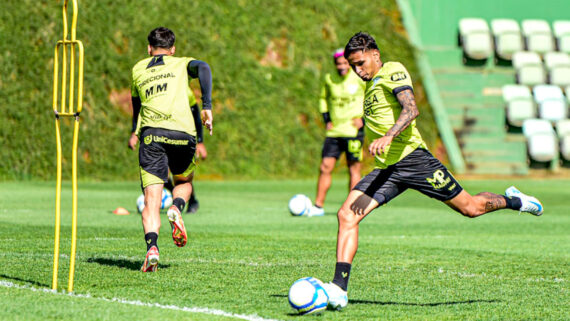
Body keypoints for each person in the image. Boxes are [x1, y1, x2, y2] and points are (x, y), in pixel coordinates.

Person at [322, 32, 543, 310]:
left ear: (375, 55)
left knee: (471, 208)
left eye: (361, 62)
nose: (357, 70)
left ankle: (515, 201)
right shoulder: (370, 85)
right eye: (353, 65)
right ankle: (339, 289)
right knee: (346, 215)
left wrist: (389, 135)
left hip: (416, 162)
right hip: (388, 170)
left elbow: (411, 109)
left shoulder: (393, 71)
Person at [128, 27, 213, 272]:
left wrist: (135, 131)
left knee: (151, 200)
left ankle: (152, 248)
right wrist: (207, 106)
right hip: (182, 134)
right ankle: (176, 206)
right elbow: (204, 68)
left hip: (151, 135)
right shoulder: (180, 64)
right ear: (173, 49)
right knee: (184, 182)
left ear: (148, 49)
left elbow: (137, 108)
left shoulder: (137, 69)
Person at [310, 49, 366, 216]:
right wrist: (327, 119)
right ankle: (318, 206)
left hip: (353, 131)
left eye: (344, 63)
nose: (341, 66)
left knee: (354, 168)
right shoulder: (329, 79)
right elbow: (323, 99)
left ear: (349, 63)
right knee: (325, 166)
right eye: (338, 64)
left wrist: (364, 119)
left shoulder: (360, 78)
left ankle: (351, 207)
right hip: (335, 132)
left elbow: (372, 96)